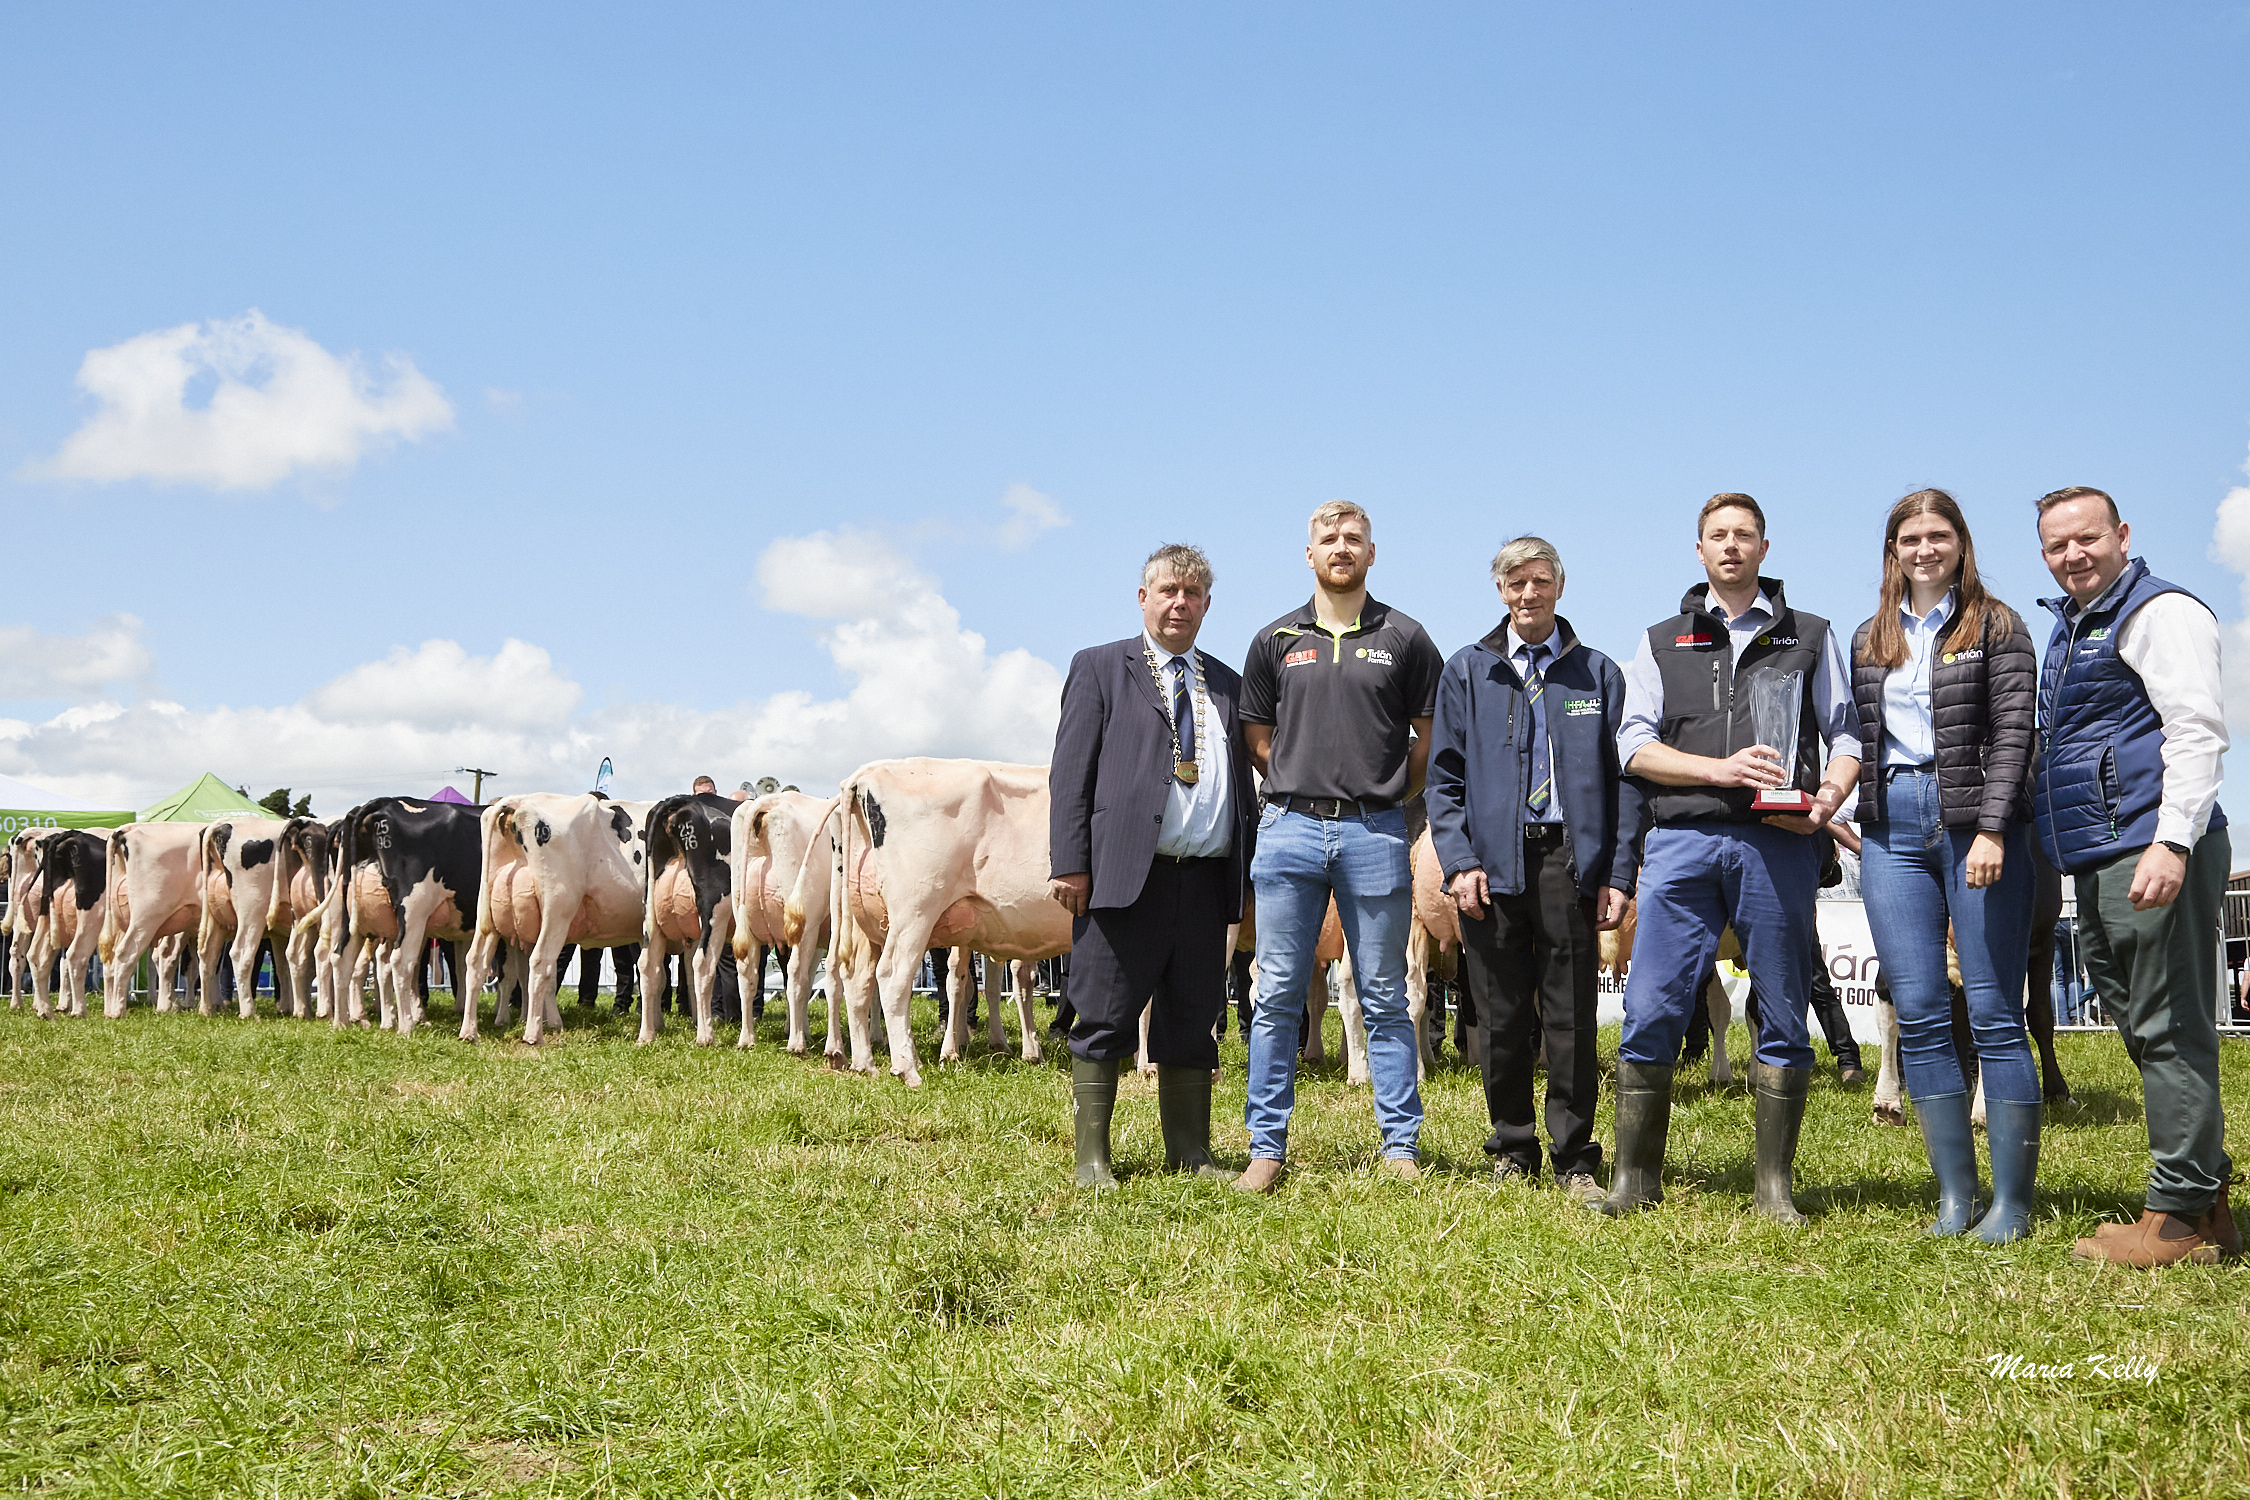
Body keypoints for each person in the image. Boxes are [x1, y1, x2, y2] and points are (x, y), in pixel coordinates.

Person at [1601, 493, 1861, 1223]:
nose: (1731, 546)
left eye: (1744, 534)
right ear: (1700, 550)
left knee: (1782, 1007)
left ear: (1764, 548)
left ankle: (1773, 1189)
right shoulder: (1660, 641)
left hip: (1777, 843)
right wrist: (1717, 771)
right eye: (1717, 535)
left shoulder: (1810, 635)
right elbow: (1633, 746)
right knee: (1651, 1004)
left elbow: (1846, 736)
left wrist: (1828, 799)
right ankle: (1634, 1180)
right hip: (1680, 843)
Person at [2031, 486, 2238, 1267]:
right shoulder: (2077, 626)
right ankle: (2206, 1202)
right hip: (2103, 851)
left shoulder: (2159, 612)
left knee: (2168, 1025)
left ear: (2121, 534)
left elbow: (2196, 731)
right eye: (2057, 545)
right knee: (2143, 1022)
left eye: (2087, 538)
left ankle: (2176, 1218)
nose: (2073, 554)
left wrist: (2171, 842)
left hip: (2149, 844)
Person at [1848, 488, 2040, 1241]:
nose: (1924, 549)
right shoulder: (1871, 636)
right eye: (1910, 538)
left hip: (1974, 825)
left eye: (1938, 535)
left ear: (1961, 543)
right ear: (1892, 551)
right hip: (1890, 825)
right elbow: (1858, 737)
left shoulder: (1998, 625)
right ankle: (1956, 1198)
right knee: (1922, 1012)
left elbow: (2016, 733)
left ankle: (2012, 1205)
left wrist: (1993, 828)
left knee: (1993, 1011)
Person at [1236, 501, 1445, 1191]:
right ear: (1309, 554)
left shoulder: (1407, 637)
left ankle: (1400, 1148)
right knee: (1276, 993)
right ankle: (1266, 1149)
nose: (1341, 547)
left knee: (1384, 993)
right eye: (1328, 538)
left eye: (1354, 538)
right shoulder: (1274, 639)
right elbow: (1258, 741)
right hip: (1288, 829)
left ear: (1372, 553)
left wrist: (1383, 795)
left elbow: (1427, 739)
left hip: (1375, 830)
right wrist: (1302, 787)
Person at [1426, 535, 1633, 1206]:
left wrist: (1618, 872)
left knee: (1572, 1018)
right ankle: (1512, 1149)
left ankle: (1575, 1158)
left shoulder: (1596, 674)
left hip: (1570, 863)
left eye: (1540, 581)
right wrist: (1459, 862)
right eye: (1516, 583)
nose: (1528, 593)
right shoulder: (1467, 671)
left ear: (1559, 587)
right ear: (1500, 591)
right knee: (1501, 1017)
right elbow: (1443, 781)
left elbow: (1626, 782)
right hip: (1490, 867)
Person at [1048, 542, 1255, 1187]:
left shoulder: (1228, 683)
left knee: (1193, 1018)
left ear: (1207, 605)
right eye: (1168, 590)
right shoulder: (1100, 667)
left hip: (1205, 879)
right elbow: (1070, 774)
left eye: (1192, 594)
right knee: (1102, 1015)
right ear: (1143, 598)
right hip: (1122, 878)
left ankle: (1190, 1152)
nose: (1179, 603)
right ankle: (1091, 1159)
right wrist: (1070, 862)